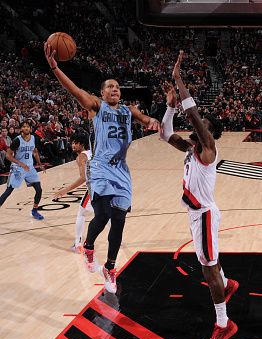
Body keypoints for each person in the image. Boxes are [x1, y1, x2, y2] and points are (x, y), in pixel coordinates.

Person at [44, 42, 162, 293]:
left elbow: (145, 119)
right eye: (110, 86)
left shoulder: (129, 111)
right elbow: (75, 90)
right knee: (105, 214)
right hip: (100, 168)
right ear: (102, 92)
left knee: (119, 221)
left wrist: (153, 121)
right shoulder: (97, 107)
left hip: (122, 171)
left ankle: (110, 267)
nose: (115, 89)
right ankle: (88, 247)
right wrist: (55, 68)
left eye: (117, 87)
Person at [161, 50, 238, 339]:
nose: (196, 125)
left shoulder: (209, 149)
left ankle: (224, 323)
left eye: (202, 125)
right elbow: (164, 133)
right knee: (210, 263)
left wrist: (179, 81)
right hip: (197, 214)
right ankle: (228, 283)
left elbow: (193, 115)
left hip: (204, 214)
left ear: (209, 132)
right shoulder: (190, 149)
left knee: (207, 267)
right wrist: (170, 107)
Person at [53, 132, 96, 252]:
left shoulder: (81, 157)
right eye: (72, 142)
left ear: (82, 144)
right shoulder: (91, 153)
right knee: (103, 215)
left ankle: (78, 245)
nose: (73, 145)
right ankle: (116, 239)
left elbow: (83, 178)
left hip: (94, 188)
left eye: (75, 143)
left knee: (81, 213)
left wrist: (65, 190)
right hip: (103, 186)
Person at [0, 120, 45, 219]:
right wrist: (19, 163)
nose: (26, 128)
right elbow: (8, 155)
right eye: (24, 127)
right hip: (18, 169)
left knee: (39, 189)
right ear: (21, 129)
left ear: (30, 128)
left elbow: (35, 151)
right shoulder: (17, 140)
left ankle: (34, 210)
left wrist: (39, 164)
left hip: (30, 168)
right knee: (9, 191)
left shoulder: (34, 138)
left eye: (28, 127)